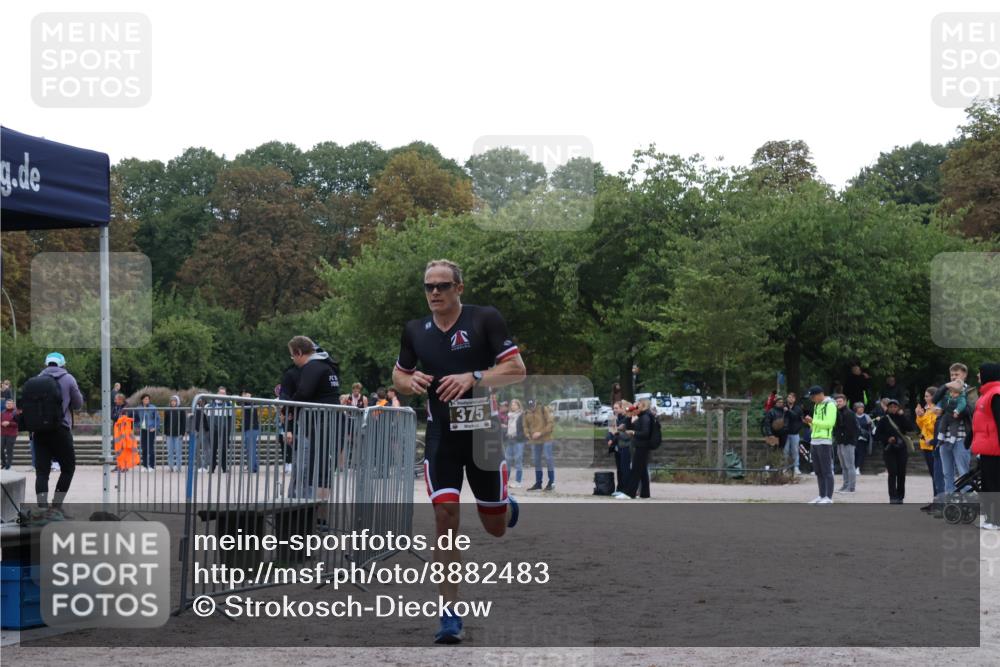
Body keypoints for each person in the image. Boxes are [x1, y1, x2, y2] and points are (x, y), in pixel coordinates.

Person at [391, 258, 526, 644]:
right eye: (429, 286)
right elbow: (397, 375)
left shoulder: (485, 319)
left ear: (459, 289)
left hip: (483, 438)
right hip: (441, 439)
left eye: (443, 286)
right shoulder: (415, 330)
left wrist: (475, 376)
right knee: (445, 518)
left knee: (495, 528)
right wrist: (408, 379)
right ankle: (449, 614)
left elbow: (517, 369)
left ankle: (503, 503)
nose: (434, 293)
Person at [27, 353, 84, 514]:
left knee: (42, 472)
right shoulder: (68, 379)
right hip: (60, 429)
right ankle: (56, 507)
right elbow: (78, 404)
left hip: (39, 431)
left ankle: (42, 508)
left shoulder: (36, 379)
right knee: (68, 468)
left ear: (46, 364)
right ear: (62, 364)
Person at [287, 337, 341, 500]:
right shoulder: (327, 365)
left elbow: (304, 392)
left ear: (299, 353)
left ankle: (316, 515)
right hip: (327, 420)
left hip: (319, 423)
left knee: (318, 468)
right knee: (322, 468)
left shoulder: (313, 367)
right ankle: (320, 515)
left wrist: (287, 407)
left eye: (292, 356)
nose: (294, 360)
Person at [934, 363, 973, 495]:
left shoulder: (970, 392)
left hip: (962, 437)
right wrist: (945, 386)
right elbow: (935, 403)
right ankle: (950, 502)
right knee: (947, 473)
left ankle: (968, 502)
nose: (954, 377)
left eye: (957, 374)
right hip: (944, 438)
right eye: (952, 375)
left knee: (963, 472)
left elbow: (972, 411)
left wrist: (956, 408)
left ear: (964, 375)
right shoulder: (945, 392)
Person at [970, 363, 1000, 530]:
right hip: (987, 447)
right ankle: (991, 518)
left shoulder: (996, 394)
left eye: (980, 373)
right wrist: (970, 440)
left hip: (995, 449)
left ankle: (996, 520)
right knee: (988, 484)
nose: (978, 376)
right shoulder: (986, 394)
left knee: (994, 485)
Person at [875, 399, 915, 504]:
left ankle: (900, 496)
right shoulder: (883, 420)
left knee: (901, 473)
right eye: (891, 407)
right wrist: (887, 439)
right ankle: (893, 496)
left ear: (898, 408)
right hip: (889, 449)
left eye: (895, 407)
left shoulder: (901, 418)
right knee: (892, 473)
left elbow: (910, 428)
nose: (893, 408)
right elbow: (877, 435)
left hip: (902, 449)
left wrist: (902, 416)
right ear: (887, 408)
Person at [615, 399, 655, 499]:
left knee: (635, 470)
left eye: (637, 405)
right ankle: (645, 494)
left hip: (642, 446)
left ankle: (630, 493)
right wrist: (629, 416)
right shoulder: (641, 416)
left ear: (643, 405)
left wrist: (633, 432)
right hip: (639, 445)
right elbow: (629, 426)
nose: (635, 406)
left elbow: (645, 433)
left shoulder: (646, 417)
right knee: (642, 471)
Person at [804, 385, 837, 504]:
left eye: (813, 397)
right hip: (814, 440)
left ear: (819, 394)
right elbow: (816, 425)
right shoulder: (817, 405)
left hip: (824, 441)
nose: (812, 400)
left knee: (826, 470)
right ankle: (821, 495)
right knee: (818, 470)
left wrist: (813, 421)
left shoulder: (831, 405)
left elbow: (829, 424)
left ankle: (828, 497)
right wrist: (810, 423)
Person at [914, 387, 941, 501]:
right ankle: (936, 497)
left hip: (933, 444)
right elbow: (922, 427)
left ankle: (938, 497)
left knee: (936, 474)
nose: (925, 398)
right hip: (925, 444)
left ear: (933, 396)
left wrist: (922, 416)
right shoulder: (928, 408)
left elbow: (933, 427)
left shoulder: (936, 409)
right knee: (932, 473)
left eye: (927, 396)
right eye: (925, 396)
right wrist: (920, 416)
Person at [524, 399, 556, 491]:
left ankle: (551, 482)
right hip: (535, 441)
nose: (532, 408)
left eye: (533, 406)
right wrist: (527, 434)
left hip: (546, 438)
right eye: (530, 406)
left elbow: (550, 423)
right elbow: (525, 426)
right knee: (536, 461)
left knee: (548, 459)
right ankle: (538, 483)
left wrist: (540, 433)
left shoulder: (543, 409)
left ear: (536, 403)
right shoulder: (526, 413)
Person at [832, 394, 859, 494]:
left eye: (840, 401)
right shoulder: (837, 412)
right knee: (843, 466)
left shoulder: (849, 413)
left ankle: (851, 487)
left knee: (850, 465)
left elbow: (852, 430)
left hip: (848, 443)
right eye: (837, 401)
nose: (838, 403)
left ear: (845, 401)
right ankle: (845, 484)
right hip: (840, 442)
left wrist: (847, 441)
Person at [206, 387, 233, 474]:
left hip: (224, 430)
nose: (222, 395)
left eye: (224, 393)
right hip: (213, 430)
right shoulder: (210, 405)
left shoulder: (228, 404)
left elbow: (230, 419)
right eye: (220, 393)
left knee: (224, 449)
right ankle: (212, 468)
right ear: (217, 393)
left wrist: (228, 431)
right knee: (213, 449)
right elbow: (207, 418)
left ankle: (224, 468)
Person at [134, 393, 160, 471]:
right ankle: (145, 465)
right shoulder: (138, 408)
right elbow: (136, 419)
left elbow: (157, 419)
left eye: (148, 399)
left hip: (151, 429)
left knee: (150, 448)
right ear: (142, 400)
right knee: (144, 448)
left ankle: (152, 466)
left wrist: (155, 427)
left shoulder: (153, 408)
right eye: (145, 399)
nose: (147, 400)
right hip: (143, 430)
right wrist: (137, 426)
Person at [504, 399, 526, 488]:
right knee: (507, 461)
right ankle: (506, 480)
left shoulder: (522, 415)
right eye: (512, 405)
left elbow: (524, 428)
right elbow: (510, 427)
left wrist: (519, 436)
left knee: (518, 461)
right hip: (510, 439)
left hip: (518, 440)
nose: (513, 406)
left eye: (515, 405)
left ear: (519, 406)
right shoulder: (509, 416)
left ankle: (518, 481)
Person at [164, 395, 187, 472]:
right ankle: (171, 467)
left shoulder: (181, 410)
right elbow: (165, 422)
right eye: (172, 401)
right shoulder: (167, 410)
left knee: (178, 452)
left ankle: (179, 467)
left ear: (177, 402)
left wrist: (183, 433)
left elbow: (184, 422)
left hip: (178, 434)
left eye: (174, 401)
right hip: (169, 434)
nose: (173, 402)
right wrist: (165, 433)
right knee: (169, 452)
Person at [783, 393, 804, 475]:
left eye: (792, 397)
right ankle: (785, 467)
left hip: (795, 433)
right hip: (785, 433)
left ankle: (796, 467)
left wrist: (788, 411)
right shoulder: (784, 407)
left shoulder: (797, 408)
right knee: (785, 451)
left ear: (794, 399)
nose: (790, 399)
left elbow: (795, 416)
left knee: (795, 451)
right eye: (788, 397)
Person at [241, 390, 261, 473]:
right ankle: (254, 467)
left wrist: (248, 398)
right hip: (249, 429)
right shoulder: (246, 403)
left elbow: (250, 404)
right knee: (250, 449)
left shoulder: (251, 403)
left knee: (251, 449)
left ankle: (252, 468)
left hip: (252, 428)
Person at [853, 402, 873, 475]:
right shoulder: (853, 416)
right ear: (856, 409)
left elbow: (872, 427)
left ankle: (858, 467)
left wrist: (870, 424)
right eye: (859, 408)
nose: (861, 409)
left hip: (863, 438)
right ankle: (854, 467)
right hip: (854, 438)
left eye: (862, 408)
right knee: (854, 453)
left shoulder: (867, 417)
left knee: (861, 452)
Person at [1, 398, 19, 470]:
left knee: (9, 450)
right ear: (5, 405)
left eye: (10, 404)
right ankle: (4, 463)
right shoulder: (2, 412)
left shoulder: (16, 413)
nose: (8, 405)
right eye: (7, 404)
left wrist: (9, 423)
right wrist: (2, 423)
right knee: (1, 449)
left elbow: (18, 423)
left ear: (13, 405)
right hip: (3, 433)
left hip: (12, 434)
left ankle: (8, 465)